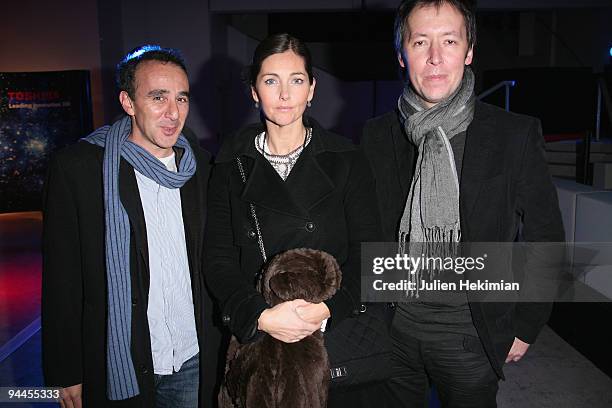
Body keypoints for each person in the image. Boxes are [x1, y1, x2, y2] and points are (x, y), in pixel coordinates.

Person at [360, 1, 565, 407]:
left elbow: (546, 236)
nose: (435, 58)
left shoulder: (513, 134)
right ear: (402, 53)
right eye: (420, 42)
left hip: (471, 337)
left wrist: (526, 324)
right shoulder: (376, 135)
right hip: (393, 332)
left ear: (469, 50)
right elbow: (364, 229)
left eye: (449, 41)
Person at [203, 33, 383, 406]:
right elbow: (217, 258)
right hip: (260, 342)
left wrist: (326, 310)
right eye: (271, 81)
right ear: (254, 90)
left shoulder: (347, 159)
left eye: (296, 80)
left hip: (333, 337)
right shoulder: (229, 165)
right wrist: (259, 317)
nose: (284, 94)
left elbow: (369, 253)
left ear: (312, 88)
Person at [42, 45, 221, 408]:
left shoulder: (202, 166)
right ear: (128, 102)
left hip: (192, 355)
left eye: (181, 98)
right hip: (120, 360)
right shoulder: (80, 169)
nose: (173, 113)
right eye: (158, 97)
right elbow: (62, 278)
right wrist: (64, 371)